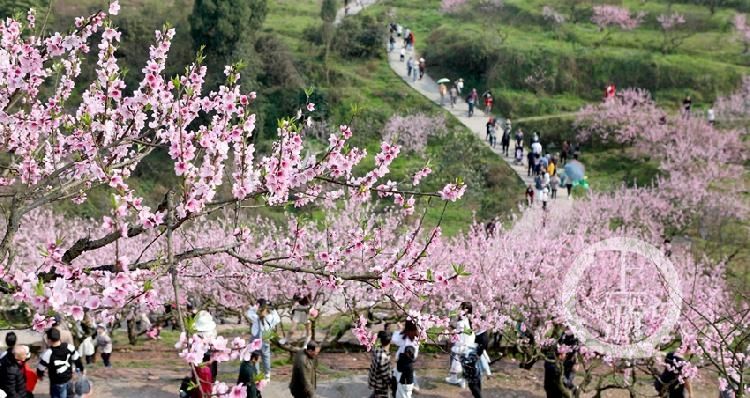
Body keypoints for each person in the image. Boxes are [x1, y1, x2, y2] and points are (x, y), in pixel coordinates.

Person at [37, 328, 84, 398]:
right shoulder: (69, 347)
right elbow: (77, 359)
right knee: (69, 395)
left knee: (57, 395)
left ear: (49, 340)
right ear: (59, 337)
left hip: (56, 382)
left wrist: (40, 375)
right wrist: (81, 369)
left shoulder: (48, 353)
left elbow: (41, 367)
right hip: (68, 378)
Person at [246, 299, 281, 381]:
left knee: (255, 356)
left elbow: (248, 313)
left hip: (256, 339)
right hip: (266, 337)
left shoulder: (256, 317)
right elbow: (278, 319)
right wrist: (273, 310)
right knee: (266, 356)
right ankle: (267, 375)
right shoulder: (271, 317)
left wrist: (254, 307)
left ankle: (257, 374)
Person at [446, 302, 475, 388]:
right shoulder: (467, 319)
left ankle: (459, 379)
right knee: (459, 361)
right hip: (465, 342)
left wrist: (459, 343)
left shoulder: (464, 319)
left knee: (458, 360)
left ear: (466, 310)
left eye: (462, 308)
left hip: (463, 342)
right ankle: (455, 378)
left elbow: (462, 332)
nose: (459, 310)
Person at [391, 320, 419, 397]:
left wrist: (399, 329)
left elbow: (395, 340)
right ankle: (412, 387)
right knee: (407, 383)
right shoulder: (417, 336)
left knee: (400, 384)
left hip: (401, 363)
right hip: (409, 363)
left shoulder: (404, 335)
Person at [368, 331, 392, 398]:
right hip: (381, 384)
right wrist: (391, 382)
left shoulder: (377, 350)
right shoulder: (383, 356)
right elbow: (384, 374)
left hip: (375, 381)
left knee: (376, 394)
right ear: (390, 342)